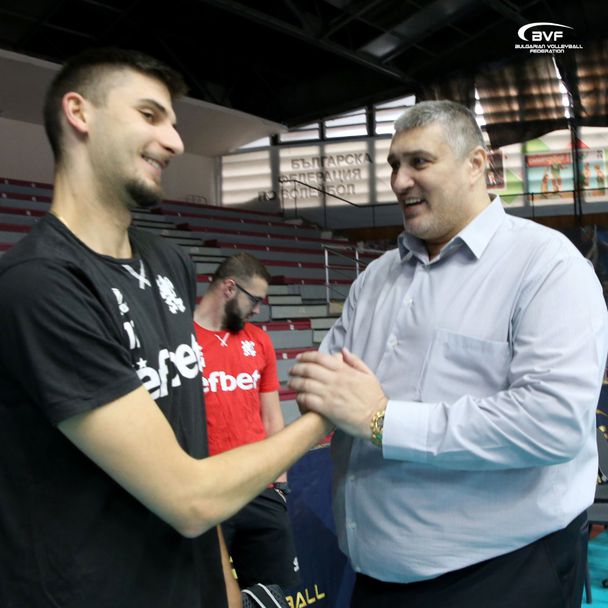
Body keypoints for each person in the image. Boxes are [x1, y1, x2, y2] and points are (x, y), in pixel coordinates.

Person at [0, 48, 330, 608]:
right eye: (150, 115)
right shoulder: (40, 284)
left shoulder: (168, 261)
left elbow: (189, 447)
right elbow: (187, 497)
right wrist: (324, 418)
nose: (176, 142)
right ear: (79, 113)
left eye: (174, 123)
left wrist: (221, 581)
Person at [288, 100, 608, 608]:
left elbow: (551, 422)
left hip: (500, 576)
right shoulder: (375, 279)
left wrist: (381, 419)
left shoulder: (547, 266)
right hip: (374, 576)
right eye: (394, 164)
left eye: (419, 161)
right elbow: (329, 386)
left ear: (476, 164)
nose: (399, 181)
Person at [194, 253, 300, 601]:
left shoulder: (259, 341)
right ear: (229, 288)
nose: (257, 310)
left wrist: (279, 484)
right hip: (207, 492)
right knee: (210, 595)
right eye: (254, 300)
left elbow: (271, 416)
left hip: (260, 489)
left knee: (276, 594)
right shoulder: (180, 339)